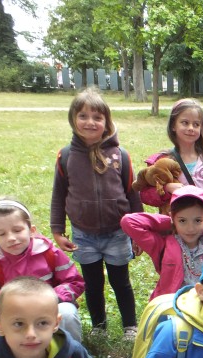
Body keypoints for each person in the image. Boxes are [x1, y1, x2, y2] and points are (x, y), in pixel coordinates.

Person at [50, 88, 141, 339]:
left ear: (106, 122)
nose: (90, 122)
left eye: (97, 117)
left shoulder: (120, 155)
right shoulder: (66, 156)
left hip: (117, 233)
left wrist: (139, 232)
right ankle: (99, 327)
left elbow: (132, 194)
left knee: (121, 282)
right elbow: (59, 194)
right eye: (83, 116)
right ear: (73, 119)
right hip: (84, 235)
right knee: (92, 283)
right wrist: (57, 230)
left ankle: (130, 326)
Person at [0, 197, 85, 342]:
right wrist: (7, 322)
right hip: (17, 319)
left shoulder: (50, 254)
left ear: (31, 230)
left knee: (67, 313)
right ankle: (27, 353)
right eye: (2, 234)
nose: (11, 238)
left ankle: (71, 352)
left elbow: (74, 282)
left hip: (51, 309)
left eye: (17, 230)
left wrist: (52, 298)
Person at [121, 186, 203, 300]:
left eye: (197, 220)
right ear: (173, 217)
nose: (190, 229)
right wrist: (171, 223)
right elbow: (129, 222)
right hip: (171, 309)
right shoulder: (162, 245)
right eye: (182, 220)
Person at [138, 98, 203, 216]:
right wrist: (167, 189)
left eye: (196, 124)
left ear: (201, 128)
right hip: (173, 224)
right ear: (173, 126)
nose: (191, 128)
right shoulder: (162, 162)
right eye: (185, 123)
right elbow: (145, 195)